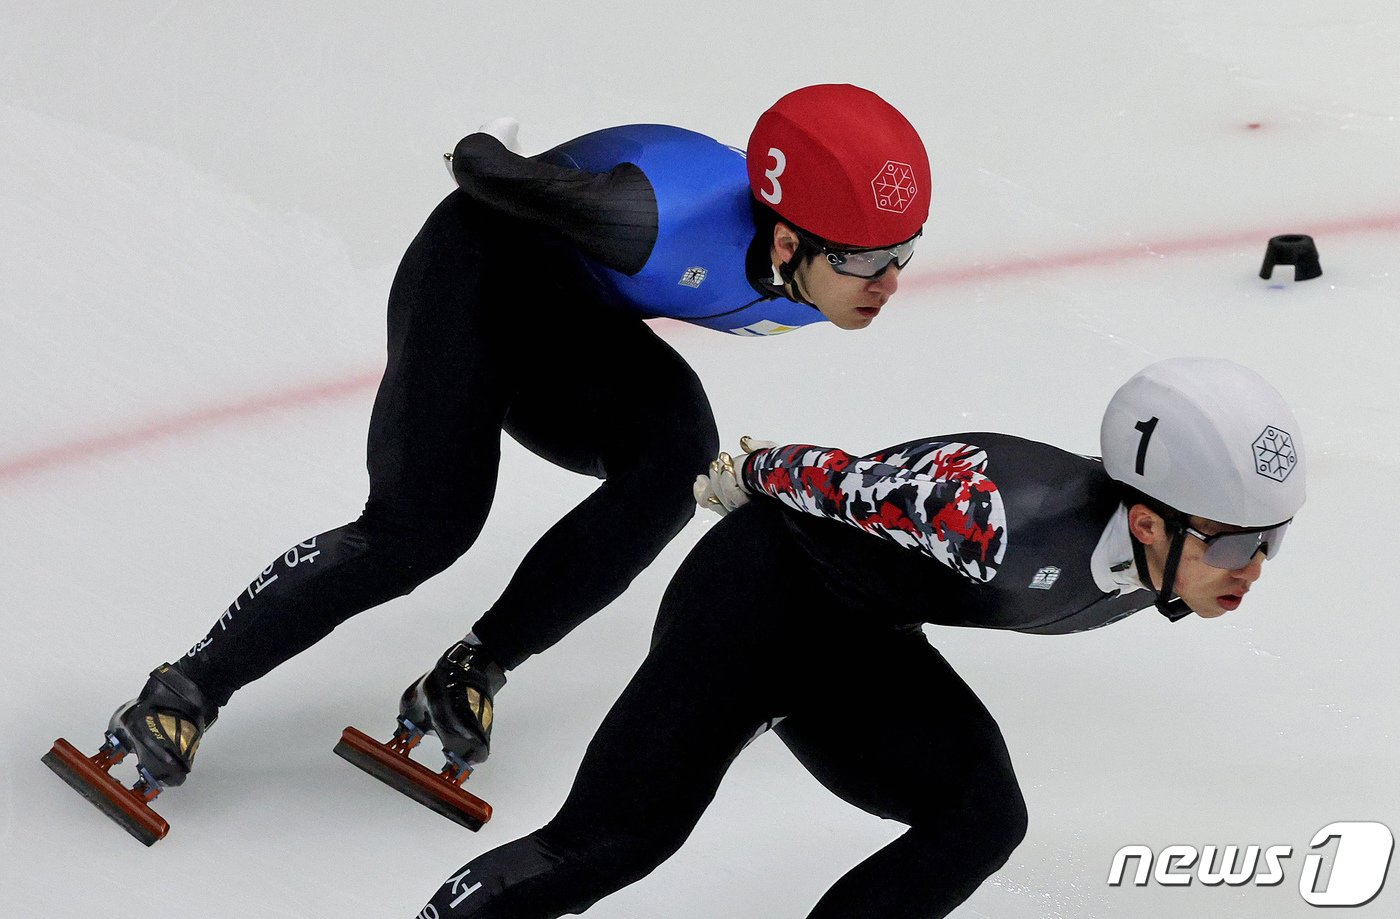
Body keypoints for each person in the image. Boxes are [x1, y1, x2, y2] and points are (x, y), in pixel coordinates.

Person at [46, 84, 932, 833]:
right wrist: (495, 145)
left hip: (574, 315)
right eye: (870, 263)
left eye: (903, 256)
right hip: (472, 273)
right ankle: (184, 690)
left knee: (676, 464)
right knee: (422, 528)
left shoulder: (822, 282)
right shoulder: (652, 215)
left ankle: (471, 670)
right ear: (788, 244)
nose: (892, 285)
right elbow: (478, 170)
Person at [413, 356, 1306, 918]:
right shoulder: (1000, 513)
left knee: (981, 818)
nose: (1253, 566)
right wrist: (745, 473)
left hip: (859, 637)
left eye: (1271, 539)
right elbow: (846, 480)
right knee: (612, 841)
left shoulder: (1161, 567)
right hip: (755, 598)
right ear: (1149, 522)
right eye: (1234, 541)